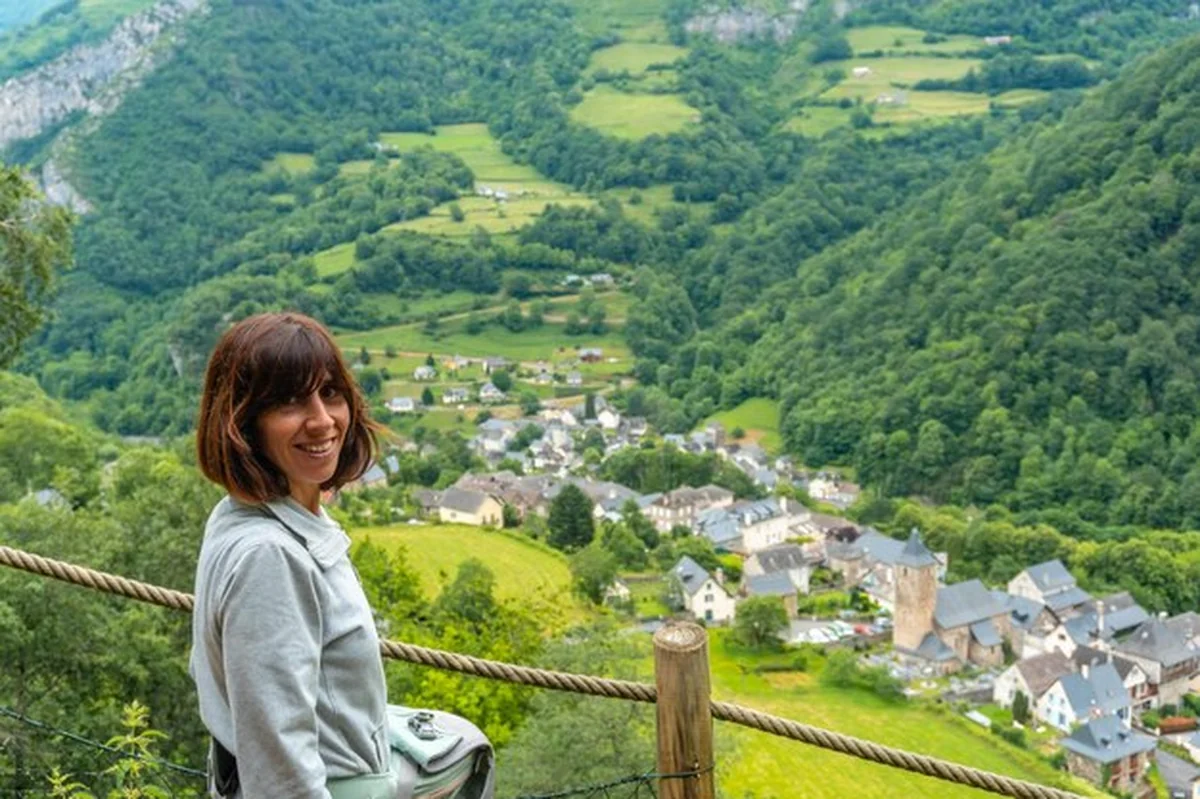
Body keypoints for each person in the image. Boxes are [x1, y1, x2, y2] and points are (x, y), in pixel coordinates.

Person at [190, 312, 391, 798]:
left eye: (331, 393)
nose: (323, 421)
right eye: (288, 402)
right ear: (243, 423)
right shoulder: (269, 556)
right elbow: (281, 771)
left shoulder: (249, 515)